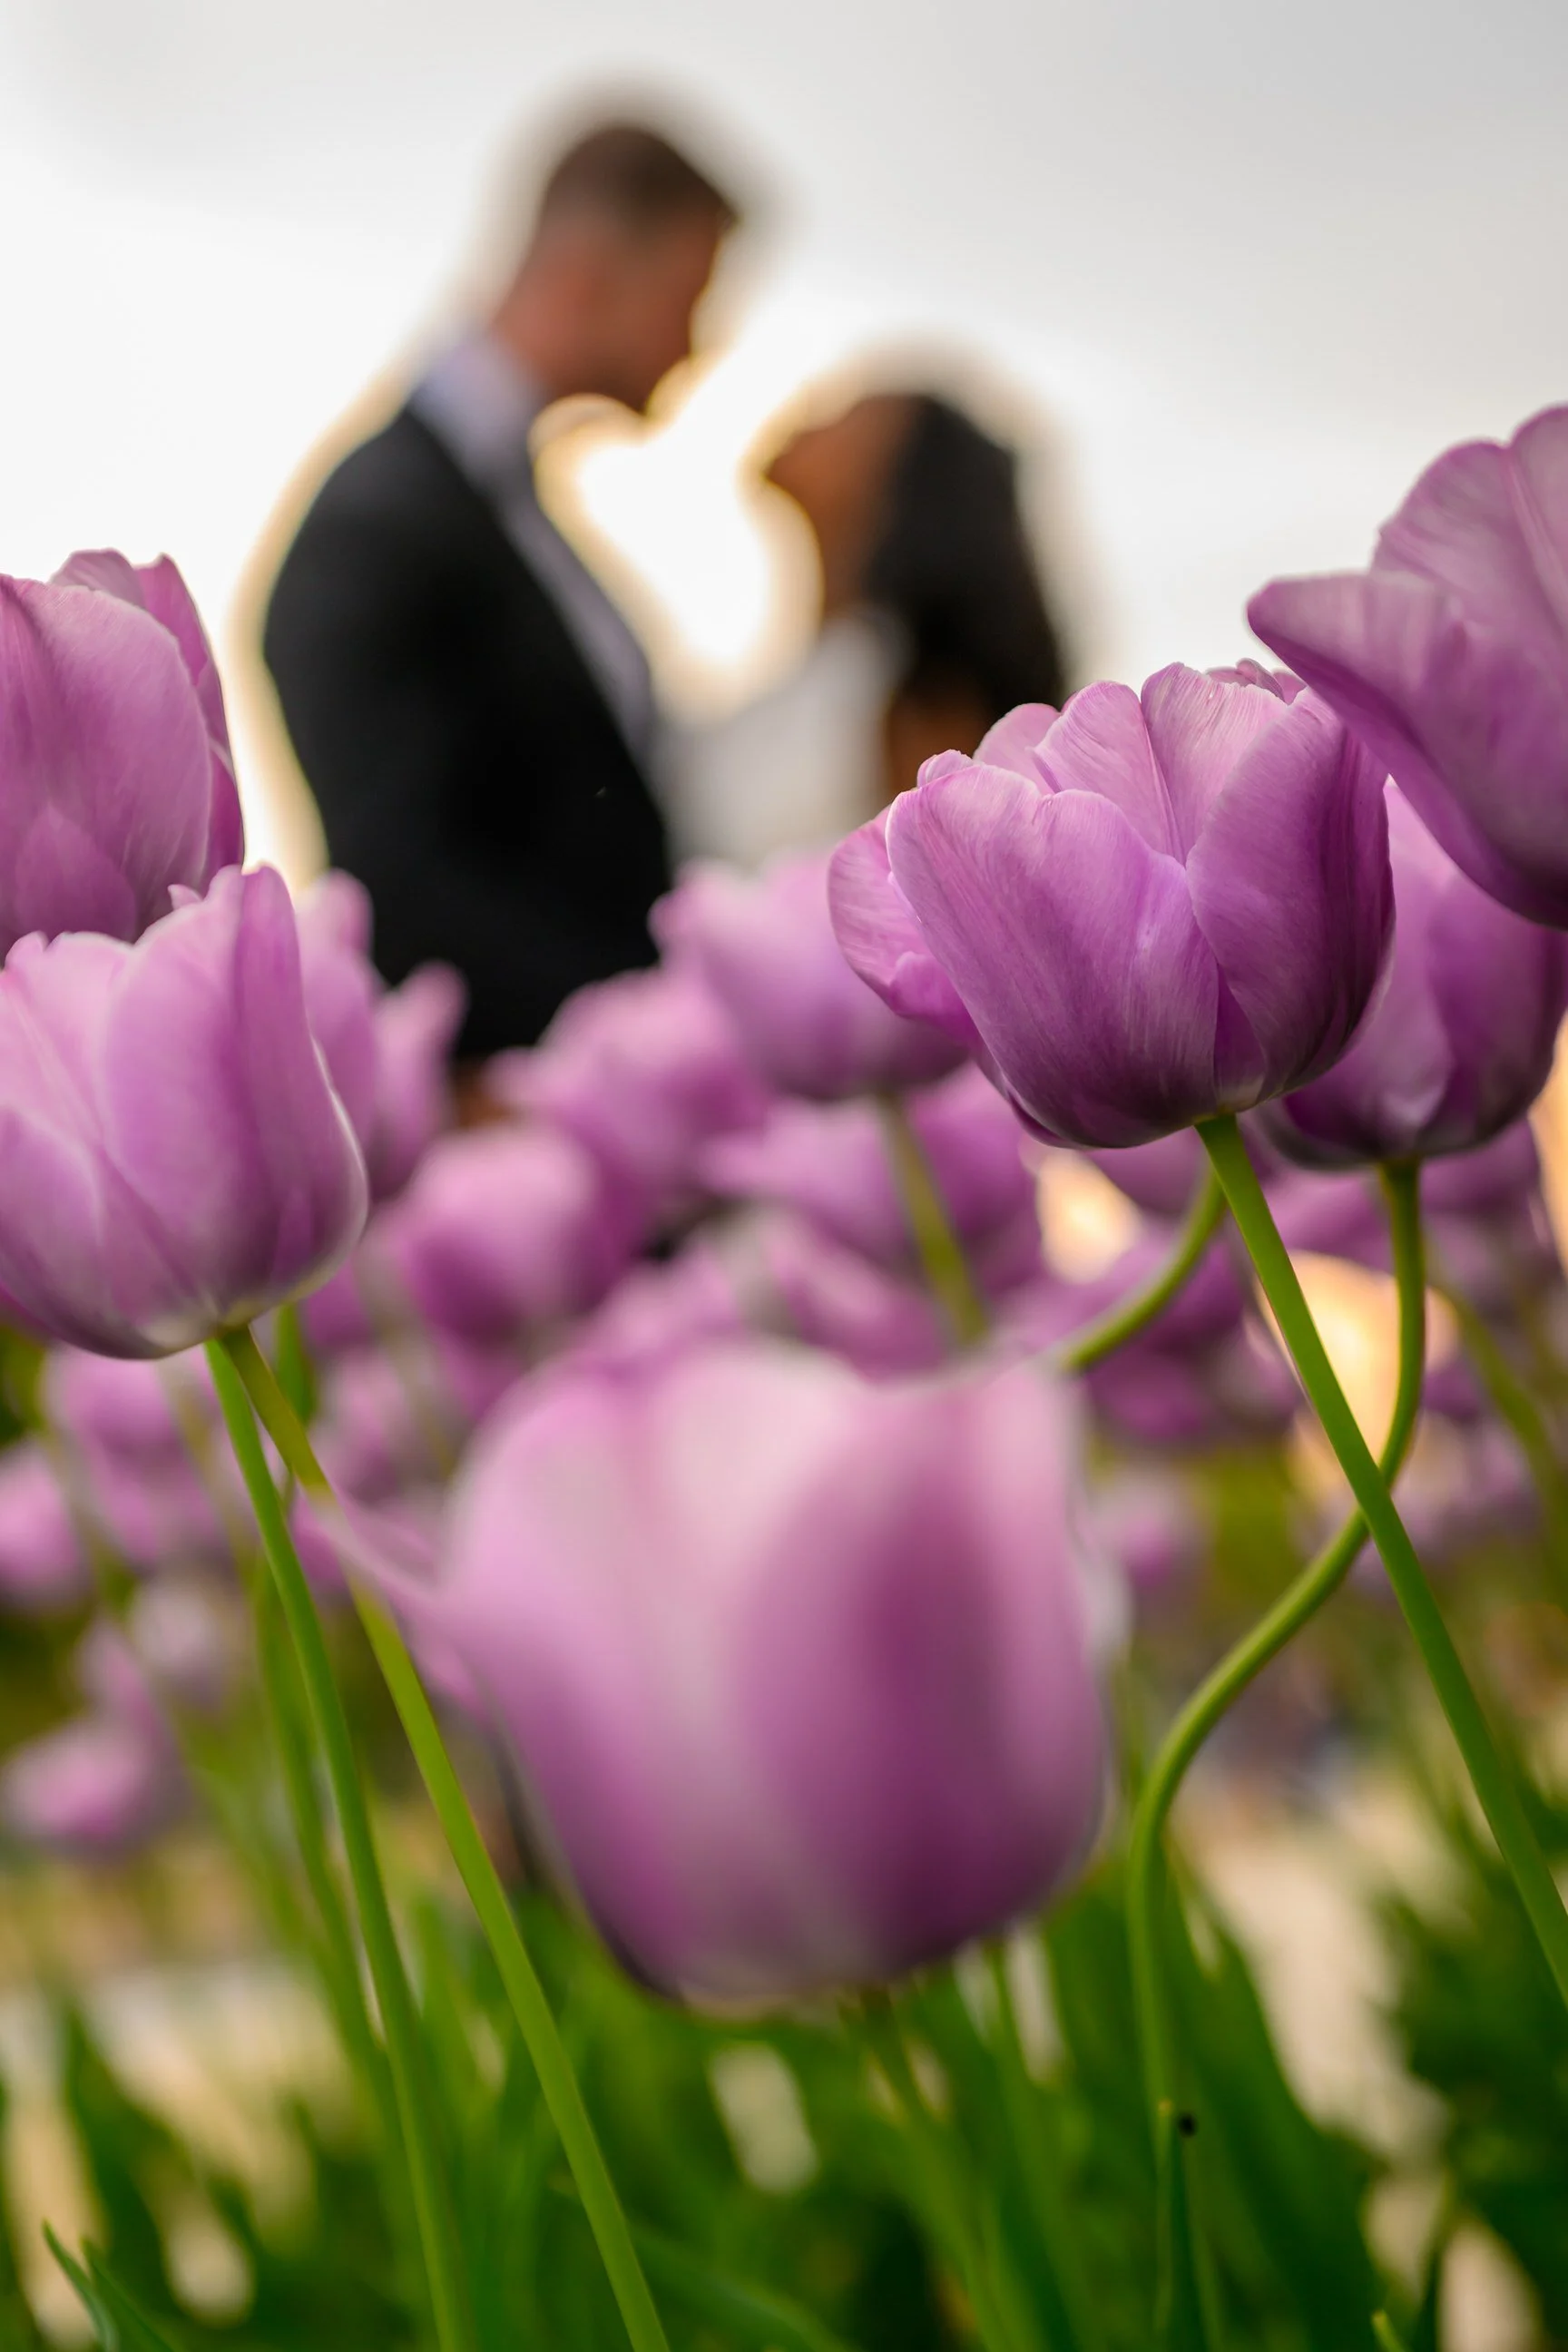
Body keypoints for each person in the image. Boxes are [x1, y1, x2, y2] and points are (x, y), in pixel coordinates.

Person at [262, 121, 741, 1053]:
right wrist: (657, 1039)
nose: (695, 345)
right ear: (591, 271)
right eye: (690, 296)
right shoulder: (378, 522)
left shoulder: (513, 518)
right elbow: (398, 883)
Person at [666, 385, 1069, 867]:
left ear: (907, 474)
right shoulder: (810, 669)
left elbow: (931, 884)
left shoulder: (923, 702)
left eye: (848, 412)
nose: (807, 415)